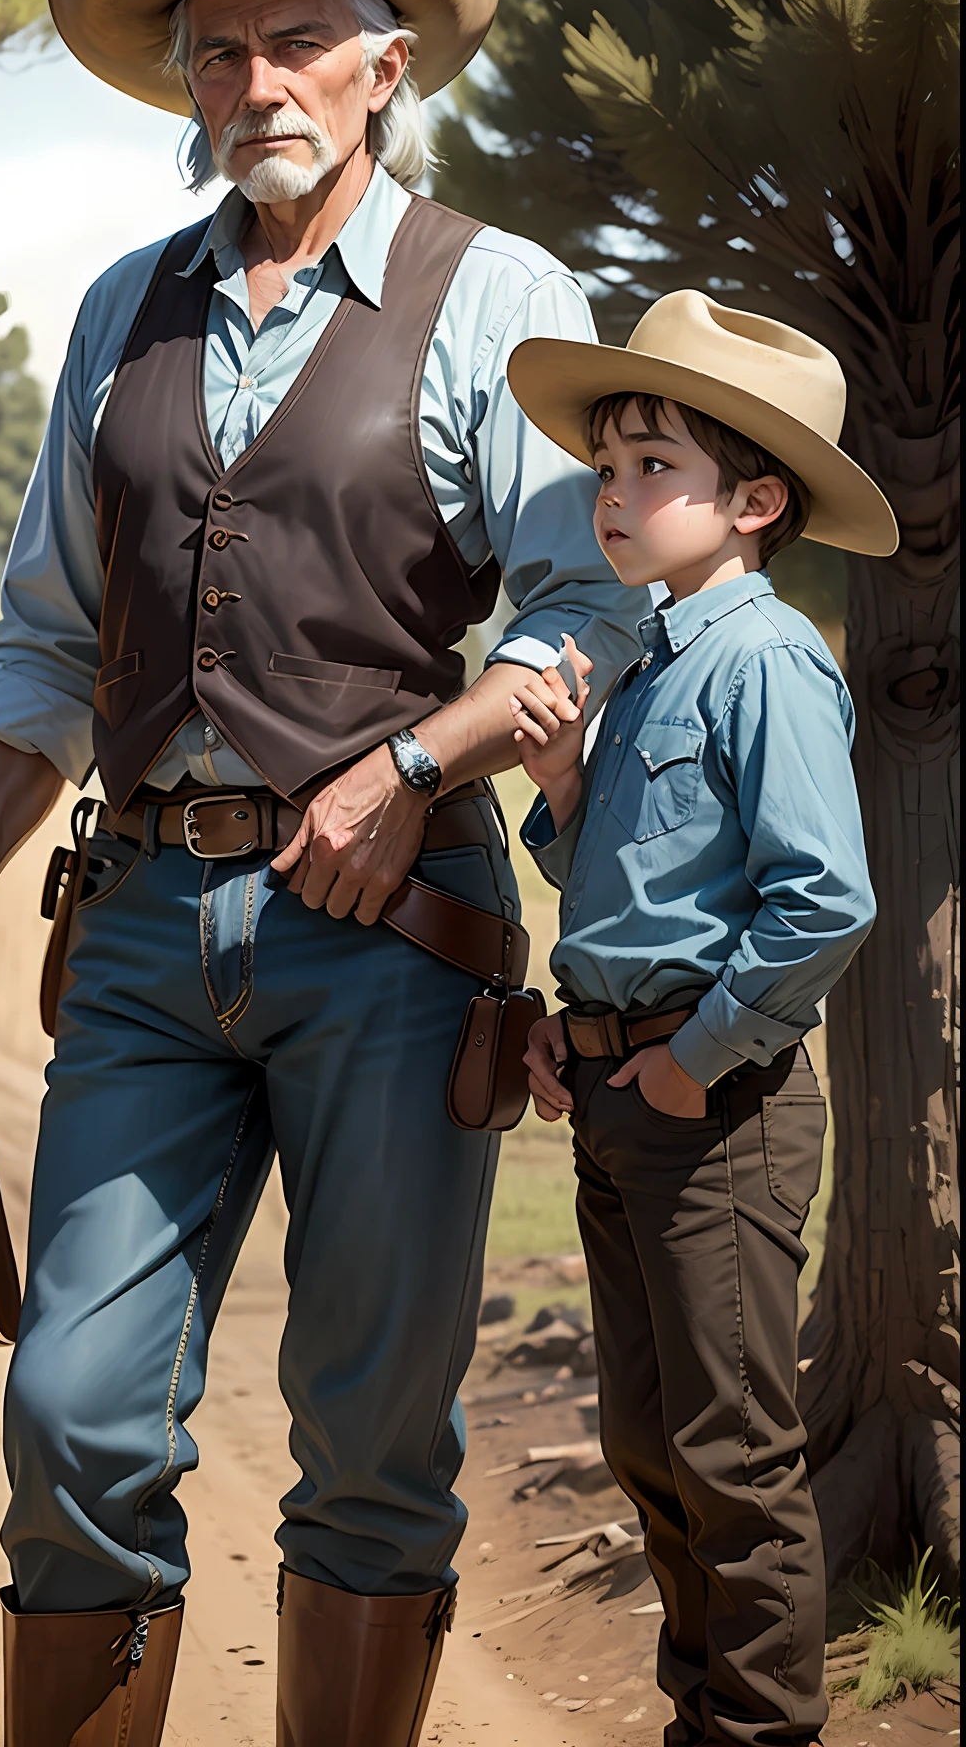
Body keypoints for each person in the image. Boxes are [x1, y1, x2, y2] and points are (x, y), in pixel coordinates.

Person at [0, 0, 650, 1747]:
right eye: (222, 56)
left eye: (302, 42)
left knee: (375, 1443)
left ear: (388, 63)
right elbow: (47, 643)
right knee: (68, 1414)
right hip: (137, 930)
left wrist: (415, 760)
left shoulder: (495, 296)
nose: (259, 89)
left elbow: (587, 612)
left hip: (397, 945)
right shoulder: (118, 315)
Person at [501, 290, 897, 1747]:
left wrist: (691, 1060)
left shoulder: (768, 658)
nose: (614, 496)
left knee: (731, 1452)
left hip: (713, 1111)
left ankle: (759, 1731)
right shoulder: (658, 657)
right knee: (645, 1442)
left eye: (652, 468)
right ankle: (704, 1717)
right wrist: (560, 807)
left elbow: (824, 900)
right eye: (607, 470)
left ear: (754, 501)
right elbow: (632, 890)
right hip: (625, 1096)